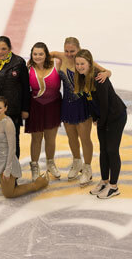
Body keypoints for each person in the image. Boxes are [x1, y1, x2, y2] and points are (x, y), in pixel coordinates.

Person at [51, 37, 111, 186]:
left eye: (73, 51)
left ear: (78, 50)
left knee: (84, 138)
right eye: (67, 51)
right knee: (71, 138)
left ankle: (87, 168)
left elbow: (106, 71)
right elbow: (48, 53)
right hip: (66, 105)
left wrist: (106, 74)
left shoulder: (83, 61)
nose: (69, 54)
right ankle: (77, 161)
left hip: (83, 106)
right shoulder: (62, 57)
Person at [74, 50, 127, 199]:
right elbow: (91, 102)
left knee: (111, 150)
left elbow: (105, 104)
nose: (79, 66)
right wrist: (95, 118)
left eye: (82, 63)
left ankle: (114, 186)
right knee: (103, 150)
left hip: (116, 116)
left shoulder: (99, 78)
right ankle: (105, 181)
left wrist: (101, 122)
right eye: (77, 64)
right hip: (103, 118)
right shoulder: (82, 78)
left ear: (90, 64)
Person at [0, 36, 30, 185]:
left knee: (12, 143)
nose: (0, 52)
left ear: (9, 49)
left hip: (12, 111)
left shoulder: (18, 63)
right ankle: (2, 172)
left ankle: (13, 175)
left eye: (4, 49)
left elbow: (25, 87)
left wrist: (25, 108)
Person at [25, 42, 62, 180]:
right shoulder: (28, 68)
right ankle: (34, 166)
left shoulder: (56, 63)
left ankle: (50, 163)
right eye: (35, 54)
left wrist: (51, 54)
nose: (38, 56)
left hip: (53, 105)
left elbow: (65, 54)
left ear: (46, 54)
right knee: (36, 139)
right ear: (31, 55)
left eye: (41, 54)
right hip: (35, 106)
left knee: (50, 138)